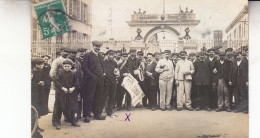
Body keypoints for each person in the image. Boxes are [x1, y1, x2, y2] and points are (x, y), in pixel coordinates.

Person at [82, 41, 107, 122]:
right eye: (96, 46)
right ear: (93, 46)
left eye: (99, 47)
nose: (98, 48)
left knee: (98, 97)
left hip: (100, 80)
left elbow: (103, 67)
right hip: (90, 80)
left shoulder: (100, 56)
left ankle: (97, 114)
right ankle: (86, 115)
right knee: (89, 97)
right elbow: (84, 67)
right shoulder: (87, 55)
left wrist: (104, 73)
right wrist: (92, 76)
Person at [50, 47, 72, 130]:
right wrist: (58, 85)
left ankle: (67, 117)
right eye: (64, 51)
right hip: (59, 85)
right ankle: (56, 121)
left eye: (67, 52)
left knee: (68, 102)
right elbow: (52, 74)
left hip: (68, 85)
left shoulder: (70, 61)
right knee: (58, 103)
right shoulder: (57, 61)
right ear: (61, 52)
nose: (66, 53)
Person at [55, 60, 80, 127]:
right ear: (63, 66)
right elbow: (57, 82)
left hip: (71, 93)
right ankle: (58, 122)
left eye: (68, 66)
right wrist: (62, 88)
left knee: (72, 107)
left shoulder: (73, 73)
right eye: (65, 66)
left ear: (71, 66)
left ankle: (73, 121)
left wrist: (73, 88)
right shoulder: (60, 73)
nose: (66, 67)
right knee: (60, 107)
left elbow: (76, 82)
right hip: (62, 93)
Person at [31, 58, 47, 138]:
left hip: (39, 93)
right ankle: (34, 127)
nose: (43, 66)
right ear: (36, 65)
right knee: (34, 111)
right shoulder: (32, 73)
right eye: (42, 64)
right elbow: (31, 84)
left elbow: (44, 79)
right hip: (34, 94)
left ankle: (37, 126)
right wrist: (38, 84)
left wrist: (42, 83)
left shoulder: (41, 71)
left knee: (38, 110)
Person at [103, 50, 120, 116]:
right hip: (106, 81)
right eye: (110, 55)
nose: (111, 56)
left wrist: (117, 76)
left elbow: (117, 71)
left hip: (113, 81)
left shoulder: (115, 62)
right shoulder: (104, 62)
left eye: (112, 55)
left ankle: (110, 111)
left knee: (112, 96)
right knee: (105, 96)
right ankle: (103, 109)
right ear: (107, 55)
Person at [68, 48, 83, 119]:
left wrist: (79, 83)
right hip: (69, 85)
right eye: (72, 53)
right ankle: (68, 116)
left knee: (78, 99)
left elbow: (80, 74)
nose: (73, 55)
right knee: (69, 101)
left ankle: (78, 114)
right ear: (69, 54)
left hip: (77, 84)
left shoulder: (78, 63)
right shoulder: (66, 63)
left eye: (75, 53)